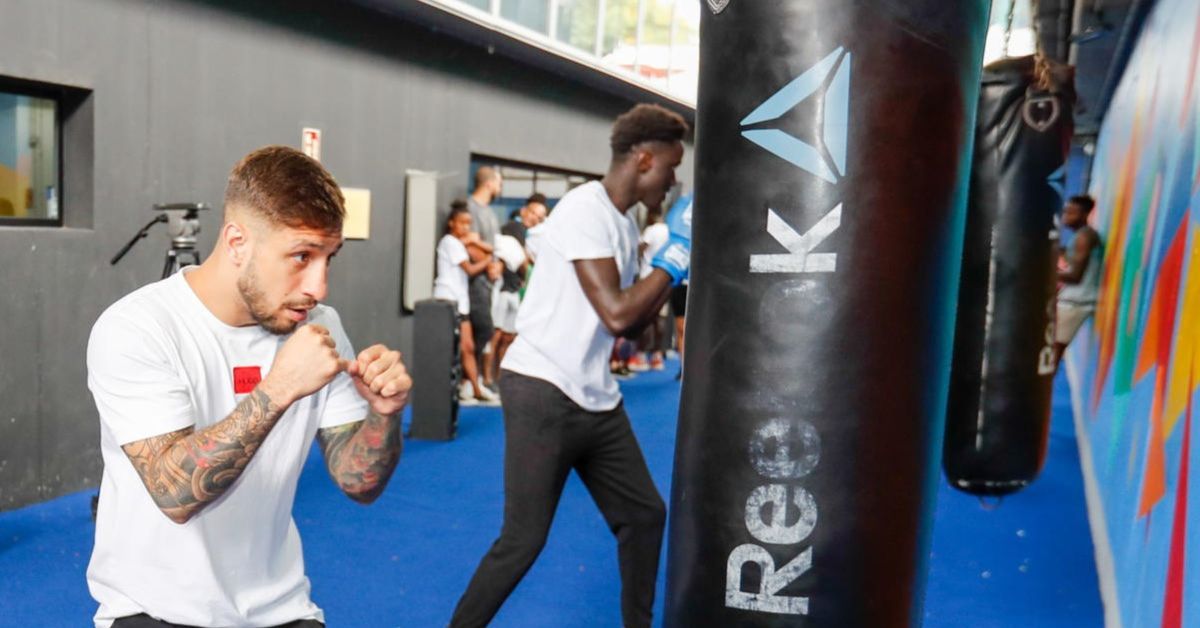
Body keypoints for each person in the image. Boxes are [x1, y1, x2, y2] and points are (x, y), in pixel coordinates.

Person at [85, 146, 412, 628]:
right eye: (301, 256)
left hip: (280, 608)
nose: (318, 286)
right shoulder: (138, 327)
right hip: (153, 611)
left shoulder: (319, 325)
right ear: (237, 242)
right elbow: (175, 495)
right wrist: (278, 389)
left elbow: (358, 482)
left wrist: (384, 412)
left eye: (328, 258)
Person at [450, 103, 691, 628]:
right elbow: (618, 312)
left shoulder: (624, 226)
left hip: (594, 397)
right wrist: (677, 255)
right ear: (644, 159)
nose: (674, 181)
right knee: (523, 539)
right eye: (671, 167)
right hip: (542, 388)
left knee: (644, 515)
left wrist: (677, 262)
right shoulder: (585, 208)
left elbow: (629, 319)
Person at [435, 202, 501, 405]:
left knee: (468, 347)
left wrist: (482, 249)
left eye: (468, 224)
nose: (466, 227)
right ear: (451, 223)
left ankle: (472, 387)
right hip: (448, 299)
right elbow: (471, 269)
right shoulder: (449, 242)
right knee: (463, 347)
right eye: (462, 223)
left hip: (460, 303)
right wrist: (489, 260)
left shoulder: (458, 242)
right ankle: (473, 388)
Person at [486, 194, 549, 386]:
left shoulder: (531, 235)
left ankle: (499, 378)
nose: (534, 219)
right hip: (502, 289)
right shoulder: (514, 227)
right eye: (532, 213)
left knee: (508, 337)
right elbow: (520, 259)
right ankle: (487, 379)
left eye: (539, 218)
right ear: (523, 211)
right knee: (496, 336)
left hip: (515, 291)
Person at [1054, 194, 1102, 368]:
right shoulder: (1081, 236)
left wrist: (1047, 273)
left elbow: (1075, 276)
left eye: (1071, 213)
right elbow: (1072, 259)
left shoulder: (1084, 238)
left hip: (1076, 302)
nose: (1066, 216)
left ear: (1084, 215)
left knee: (1052, 351)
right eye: (1066, 212)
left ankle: (1038, 392)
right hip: (1073, 301)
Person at [467, 166, 504, 392]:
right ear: (489, 183)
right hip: (475, 283)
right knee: (484, 329)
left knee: (487, 331)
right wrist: (489, 265)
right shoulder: (471, 209)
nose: (501, 188)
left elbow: (494, 247)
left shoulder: (490, 212)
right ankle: (470, 381)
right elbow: (470, 244)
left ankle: (478, 378)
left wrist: (497, 265)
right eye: (499, 183)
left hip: (490, 283)